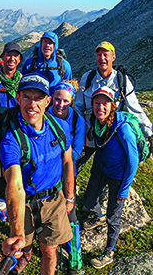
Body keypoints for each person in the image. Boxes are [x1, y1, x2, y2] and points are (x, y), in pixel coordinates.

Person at [0, 74, 74, 275]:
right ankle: (26, 253)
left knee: (50, 250)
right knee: (24, 247)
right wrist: (16, 233)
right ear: (18, 99)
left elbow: (68, 162)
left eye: (38, 98)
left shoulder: (61, 128)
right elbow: (14, 185)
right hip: (24, 203)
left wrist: (69, 197)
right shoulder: (11, 141)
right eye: (26, 97)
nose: (32, 104)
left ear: (48, 101)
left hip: (53, 199)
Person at [74, 41, 153, 174]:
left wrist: (149, 133)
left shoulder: (122, 81)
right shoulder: (87, 78)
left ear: (113, 57)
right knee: (74, 165)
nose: (102, 58)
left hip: (112, 138)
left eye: (106, 55)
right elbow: (78, 108)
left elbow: (134, 108)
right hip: (90, 135)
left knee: (109, 172)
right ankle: (68, 192)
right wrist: (79, 135)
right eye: (99, 55)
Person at [82, 86, 139, 269]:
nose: (101, 107)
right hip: (101, 169)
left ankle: (109, 251)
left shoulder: (122, 128)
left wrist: (125, 187)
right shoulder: (96, 122)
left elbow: (133, 159)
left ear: (112, 105)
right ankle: (98, 216)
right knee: (89, 202)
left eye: (105, 103)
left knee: (114, 217)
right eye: (97, 103)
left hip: (117, 176)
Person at [48, 80, 86, 275]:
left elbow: (77, 152)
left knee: (70, 215)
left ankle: (75, 261)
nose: (60, 105)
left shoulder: (77, 120)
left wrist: (55, 152)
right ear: (51, 98)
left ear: (71, 101)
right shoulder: (44, 115)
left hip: (66, 173)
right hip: (47, 174)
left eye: (65, 101)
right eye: (57, 99)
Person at [0, 41, 23, 107]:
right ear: (3, 57)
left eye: (15, 56)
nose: (12, 59)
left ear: (19, 59)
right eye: (9, 55)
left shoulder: (22, 81)